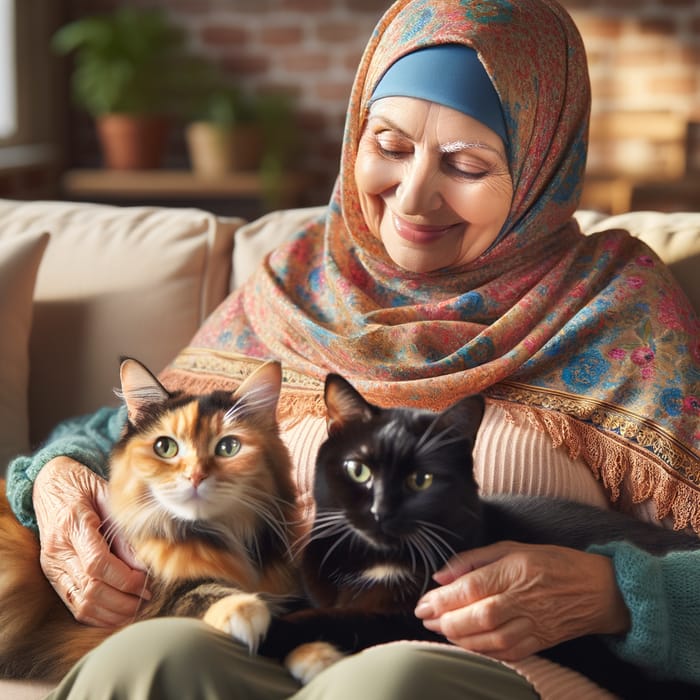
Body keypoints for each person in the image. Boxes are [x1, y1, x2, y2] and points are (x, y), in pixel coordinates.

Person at [7, 0, 700, 697]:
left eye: (466, 162)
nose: (413, 195)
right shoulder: (297, 279)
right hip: (277, 639)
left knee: (385, 680)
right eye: (392, 147)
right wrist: (57, 480)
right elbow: (133, 431)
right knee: (153, 655)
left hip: (483, 668)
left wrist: (618, 593)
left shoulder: (616, 303)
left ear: (542, 167)